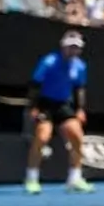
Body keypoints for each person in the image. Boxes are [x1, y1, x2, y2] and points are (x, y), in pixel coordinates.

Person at [24, 30, 93, 194]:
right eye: (70, 47)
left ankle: (75, 178)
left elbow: (79, 89)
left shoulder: (80, 66)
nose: (73, 51)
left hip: (64, 105)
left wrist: (80, 109)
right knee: (42, 137)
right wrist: (33, 107)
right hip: (45, 104)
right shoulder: (48, 62)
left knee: (77, 137)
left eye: (77, 48)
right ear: (63, 47)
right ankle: (32, 178)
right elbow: (35, 85)